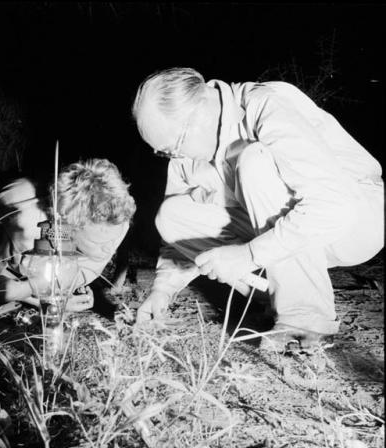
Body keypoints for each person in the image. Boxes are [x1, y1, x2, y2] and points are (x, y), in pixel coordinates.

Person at [131, 67, 383, 351]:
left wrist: (248, 255)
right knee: (172, 215)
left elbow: (334, 207)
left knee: (253, 162)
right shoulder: (184, 156)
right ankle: (276, 296)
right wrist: (162, 291)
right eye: (163, 152)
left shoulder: (264, 104)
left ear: (200, 110)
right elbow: (175, 240)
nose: (174, 157)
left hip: (359, 218)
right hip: (299, 237)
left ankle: (305, 320)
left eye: (174, 145)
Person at [0, 158, 136, 315]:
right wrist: (35, 296)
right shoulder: (27, 224)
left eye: (114, 239)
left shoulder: (117, 221)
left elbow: (79, 270)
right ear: (67, 228)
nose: (110, 249)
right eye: (99, 243)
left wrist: (60, 294)